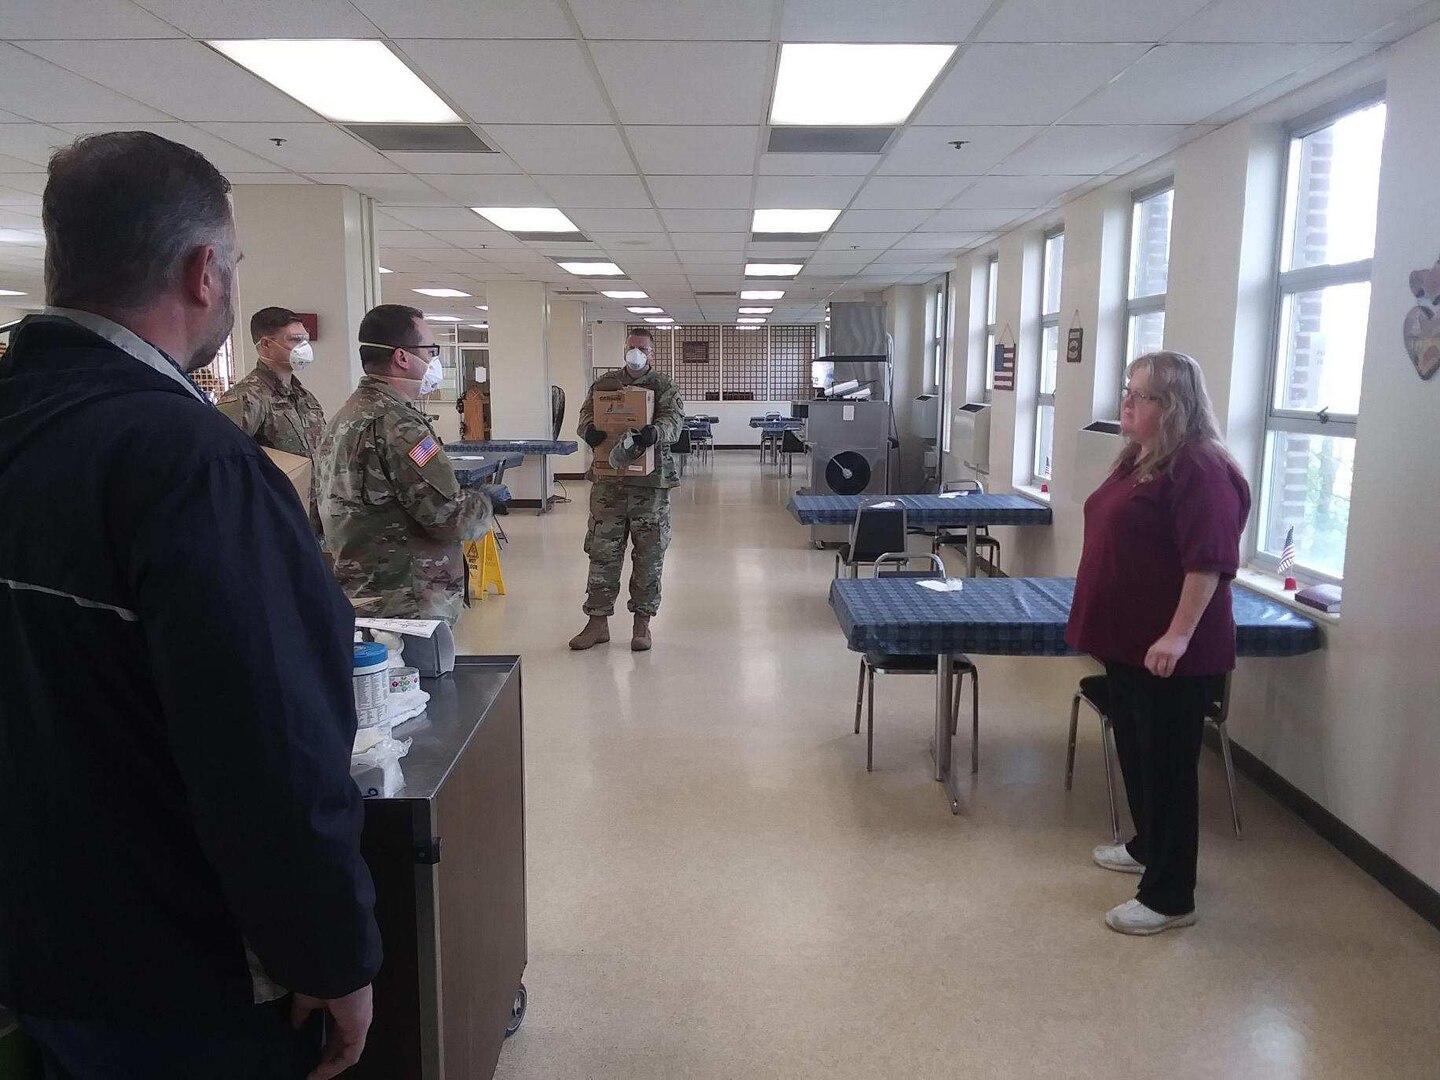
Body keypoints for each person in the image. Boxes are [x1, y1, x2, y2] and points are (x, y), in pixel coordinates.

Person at [0, 132, 380, 1077]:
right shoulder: (187, 462)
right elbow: (268, 743)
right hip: (171, 971)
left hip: (32, 947)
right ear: (205, 270)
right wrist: (329, 954)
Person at [1066, 351, 1250, 936]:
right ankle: (1148, 846)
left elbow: (1209, 564)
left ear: (1172, 406)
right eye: (1128, 391)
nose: (1125, 403)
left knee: (1168, 768)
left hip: (1169, 651)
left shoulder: (1200, 468)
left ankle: (1171, 896)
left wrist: (1176, 634)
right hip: (1126, 641)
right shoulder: (1139, 457)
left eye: (1139, 395)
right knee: (1139, 753)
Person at [317, 304, 491, 626]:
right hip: (409, 604)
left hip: (362, 592)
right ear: (402, 357)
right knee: (420, 677)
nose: (434, 361)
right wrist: (485, 502)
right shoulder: (398, 425)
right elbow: (451, 519)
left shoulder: (345, 416)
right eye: (431, 350)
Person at [569, 327, 684, 652]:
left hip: (650, 486)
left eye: (643, 348)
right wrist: (588, 430)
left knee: (648, 555)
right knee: (603, 554)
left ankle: (642, 624)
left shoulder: (663, 386)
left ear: (652, 353)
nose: (636, 353)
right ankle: (597, 622)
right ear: (624, 349)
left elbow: (674, 422)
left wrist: (654, 433)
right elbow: (586, 413)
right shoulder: (605, 384)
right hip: (609, 485)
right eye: (632, 347)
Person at [222, 306, 327, 534]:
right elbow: (224, 463)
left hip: (313, 524)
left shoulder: (303, 396)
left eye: (305, 340)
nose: (303, 348)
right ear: (266, 344)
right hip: (275, 524)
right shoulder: (246, 397)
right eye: (294, 340)